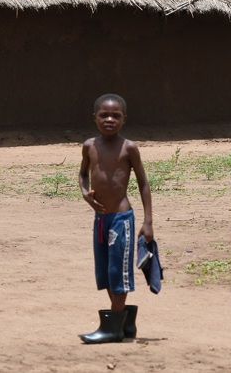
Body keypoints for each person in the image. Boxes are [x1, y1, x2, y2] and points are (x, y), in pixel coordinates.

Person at [78, 93, 153, 344]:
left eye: (115, 116)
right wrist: (86, 194)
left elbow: (143, 182)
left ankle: (112, 328)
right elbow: (83, 174)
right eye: (104, 115)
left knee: (117, 271)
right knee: (105, 272)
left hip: (121, 220)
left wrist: (148, 222)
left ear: (124, 119)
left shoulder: (128, 147)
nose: (109, 119)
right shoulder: (89, 146)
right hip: (101, 220)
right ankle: (124, 323)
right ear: (95, 118)